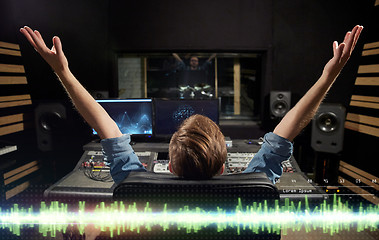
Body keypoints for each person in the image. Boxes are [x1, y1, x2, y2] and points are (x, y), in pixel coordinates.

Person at [20, 25, 363, 185]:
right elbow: (290, 126)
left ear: (167, 167)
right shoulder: (254, 181)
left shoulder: (132, 178)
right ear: (225, 165)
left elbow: (104, 122)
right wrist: (328, 76)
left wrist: (62, 71)